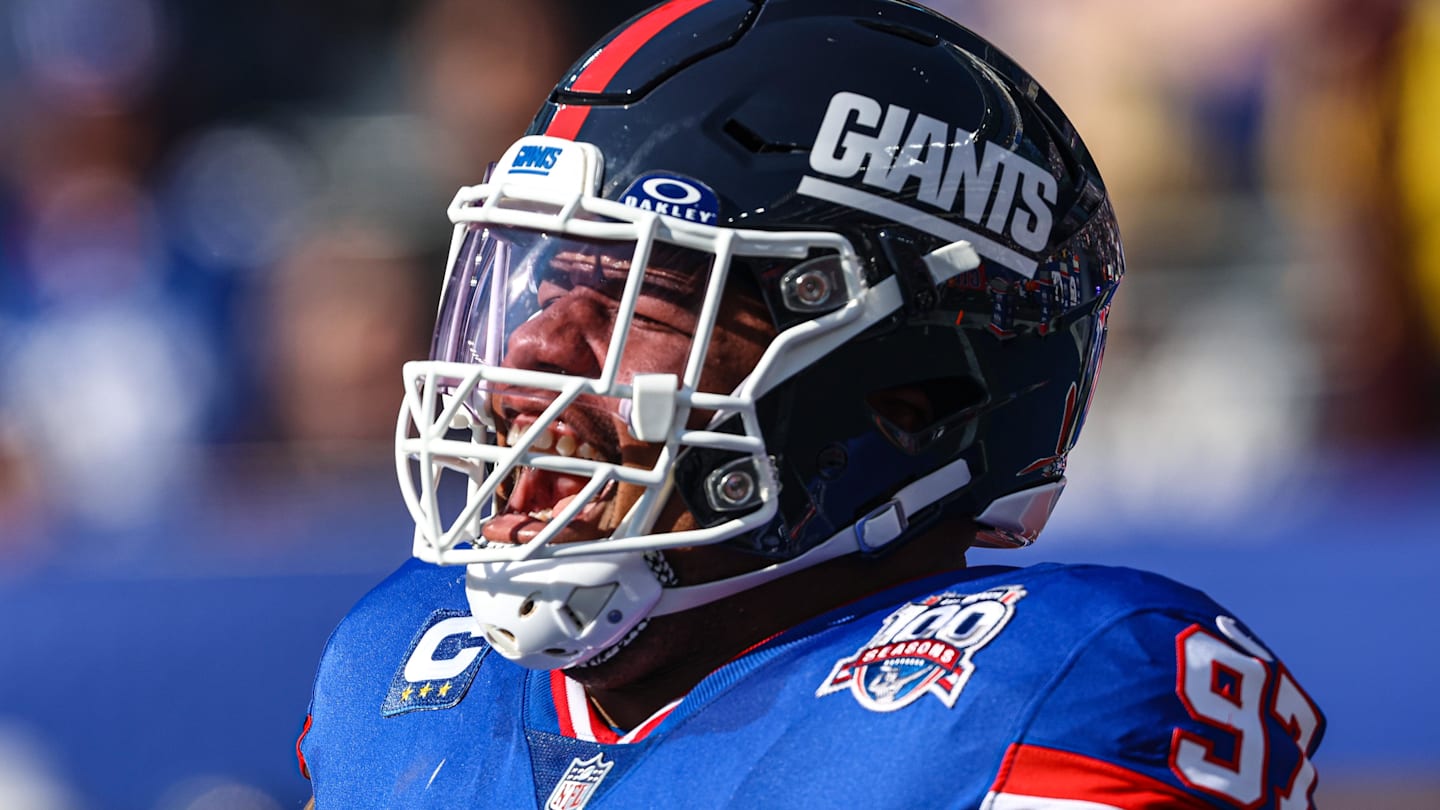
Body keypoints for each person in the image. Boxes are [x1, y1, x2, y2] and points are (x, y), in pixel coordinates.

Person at [299, 1, 1325, 807]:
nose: (528, 352)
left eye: (636, 296)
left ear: (909, 392)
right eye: (540, 283)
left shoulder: (1047, 695)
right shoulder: (403, 662)